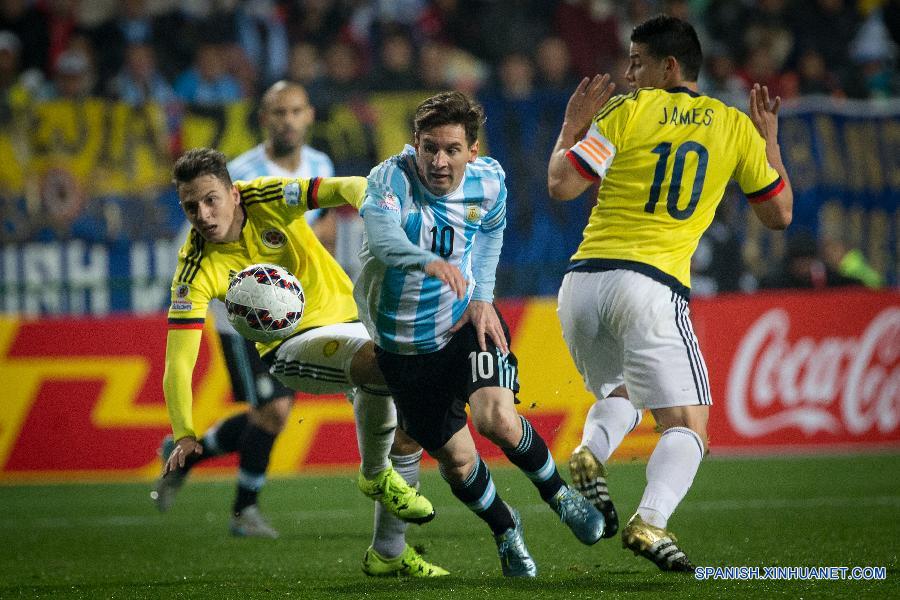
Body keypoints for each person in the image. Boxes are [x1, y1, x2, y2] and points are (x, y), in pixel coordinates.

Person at [547, 15, 793, 572]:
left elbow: (562, 184)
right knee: (689, 424)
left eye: (637, 62)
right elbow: (779, 214)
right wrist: (771, 142)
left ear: (670, 66)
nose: (629, 73)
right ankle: (650, 520)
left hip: (581, 285)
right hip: (650, 286)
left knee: (617, 396)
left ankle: (591, 452)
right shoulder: (733, 126)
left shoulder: (625, 113)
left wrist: (571, 127)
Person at [157, 147, 448, 578]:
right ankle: (371, 475)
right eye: (190, 206)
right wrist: (183, 431)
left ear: (234, 194)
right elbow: (178, 361)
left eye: (210, 199)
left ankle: (389, 550)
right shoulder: (195, 268)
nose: (202, 213)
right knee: (381, 368)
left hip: (351, 321)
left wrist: (381, 209)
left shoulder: (268, 197)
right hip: (289, 348)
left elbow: (345, 187)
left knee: (409, 406)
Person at [354, 91, 605, 578]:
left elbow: (491, 230)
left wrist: (483, 297)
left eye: (451, 149)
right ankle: (506, 528)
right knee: (458, 462)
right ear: (415, 144)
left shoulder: (489, 181)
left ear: (473, 150)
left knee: (497, 419)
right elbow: (383, 240)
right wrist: (427, 261)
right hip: (405, 347)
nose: (439, 161)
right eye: (429, 148)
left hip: (467, 322)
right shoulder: (389, 180)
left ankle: (560, 497)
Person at [153, 81, 335, 537]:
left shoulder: (319, 165)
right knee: (272, 413)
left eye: (295, 111)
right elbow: (196, 242)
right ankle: (244, 511)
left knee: (269, 412)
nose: (287, 121)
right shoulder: (238, 175)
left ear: (309, 115)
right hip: (238, 312)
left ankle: (186, 460)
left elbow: (324, 228)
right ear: (263, 119)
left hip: (291, 308)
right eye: (278, 112)